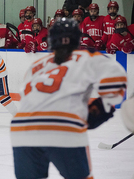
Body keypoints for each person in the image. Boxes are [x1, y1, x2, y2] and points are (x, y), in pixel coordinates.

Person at [11, 17, 127, 179]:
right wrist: (103, 107)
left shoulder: (36, 65)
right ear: (76, 39)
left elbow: (26, 98)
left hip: (22, 128)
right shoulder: (87, 55)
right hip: (63, 125)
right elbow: (116, 80)